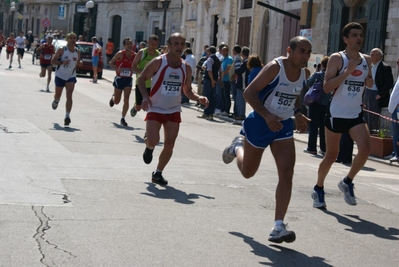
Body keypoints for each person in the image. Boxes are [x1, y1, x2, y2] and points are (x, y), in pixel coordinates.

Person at [222, 36, 312, 243]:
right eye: (302, 52)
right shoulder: (274, 68)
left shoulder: (304, 73)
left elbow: (295, 92)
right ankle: (237, 147)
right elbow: (248, 92)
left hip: (283, 126)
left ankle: (278, 226)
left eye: (308, 52)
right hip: (260, 123)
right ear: (289, 50)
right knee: (248, 173)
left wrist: (298, 112)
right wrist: (267, 115)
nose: (305, 56)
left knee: (287, 173)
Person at [311, 22, 373, 209]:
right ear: (345, 39)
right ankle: (318, 188)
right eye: (354, 35)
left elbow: (368, 83)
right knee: (331, 155)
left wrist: (369, 81)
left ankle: (347, 181)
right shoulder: (338, 59)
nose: (358, 38)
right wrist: (347, 71)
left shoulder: (367, 60)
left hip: (355, 113)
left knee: (365, 149)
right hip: (336, 113)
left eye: (360, 35)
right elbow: (327, 87)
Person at [138, 32, 208, 186]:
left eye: (182, 44)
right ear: (168, 46)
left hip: (174, 110)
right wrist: (144, 97)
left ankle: (158, 173)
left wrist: (199, 98)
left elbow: (187, 90)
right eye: (175, 44)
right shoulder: (158, 62)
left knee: (170, 144)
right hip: (155, 107)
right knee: (154, 141)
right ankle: (149, 146)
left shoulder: (186, 67)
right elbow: (141, 78)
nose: (179, 47)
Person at [50, 32, 83, 127]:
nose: (73, 40)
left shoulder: (77, 51)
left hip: (71, 76)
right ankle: (56, 101)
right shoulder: (62, 50)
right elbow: (52, 61)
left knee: (69, 95)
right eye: (71, 38)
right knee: (58, 95)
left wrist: (80, 63)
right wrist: (62, 62)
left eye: (74, 38)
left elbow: (78, 61)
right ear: (67, 39)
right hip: (60, 75)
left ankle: (67, 116)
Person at [303, 56, 331, 155]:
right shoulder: (332, 76)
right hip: (327, 104)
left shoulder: (319, 74)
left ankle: (312, 147)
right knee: (323, 128)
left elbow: (308, 82)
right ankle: (323, 149)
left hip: (315, 103)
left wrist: (316, 71)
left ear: (322, 65)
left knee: (313, 126)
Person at [363, 48, 394, 133]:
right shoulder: (369, 66)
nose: (371, 57)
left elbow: (389, 83)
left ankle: (372, 136)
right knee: (366, 115)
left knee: (373, 117)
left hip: (376, 94)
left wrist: (380, 94)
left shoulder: (385, 68)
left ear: (379, 56)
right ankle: (367, 134)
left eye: (373, 55)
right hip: (367, 93)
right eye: (370, 54)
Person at [108, 37, 136, 127]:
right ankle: (113, 98)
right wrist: (117, 69)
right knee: (117, 101)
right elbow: (110, 62)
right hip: (119, 79)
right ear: (124, 45)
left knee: (126, 99)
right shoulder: (120, 54)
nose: (129, 46)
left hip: (128, 79)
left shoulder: (134, 55)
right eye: (127, 44)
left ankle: (123, 118)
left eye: (130, 44)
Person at [131, 34, 160, 117]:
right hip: (141, 83)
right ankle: (135, 107)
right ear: (148, 42)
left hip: (153, 84)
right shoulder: (142, 52)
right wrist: (143, 73)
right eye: (152, 44)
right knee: (139, 107)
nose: (154, 47)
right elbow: (133, 66)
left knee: (151, 106)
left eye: (155, 45)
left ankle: (149, 128)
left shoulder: (158, 55)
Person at [197, 46, 220, 120]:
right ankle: (211, 113)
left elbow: (209, 70)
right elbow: (221, 70)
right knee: (212, 97)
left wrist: (212, 80)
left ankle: (206, 112)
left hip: (209, 80)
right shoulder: (217, 60)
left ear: (209, 52)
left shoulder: (210, 59)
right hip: (215, 79)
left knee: (207, 96)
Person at [232, 46, 250, 124]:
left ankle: (241, 114)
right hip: (241, 82)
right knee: (239, 98)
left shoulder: (246, 62)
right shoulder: (245, 62)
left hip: (242, 83)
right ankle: (239, 113)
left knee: (240, 99)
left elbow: (239, 71)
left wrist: (235, 70)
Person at [219, 45, 233, 116]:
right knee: (222, 95)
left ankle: (227, 110)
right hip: (223, 79)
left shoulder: (229, 59)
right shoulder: (223, 59)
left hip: (227, 80)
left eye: (224, 51)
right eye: (222, 51)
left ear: (227, 51)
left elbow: (228, 69)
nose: (223, 52)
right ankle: (223, 109)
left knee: (226, 95)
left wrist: (222, 76)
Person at [388, 79, 399, 163]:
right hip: (395, 108)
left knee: (396, 131)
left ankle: (397, 154)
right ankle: (394, 152)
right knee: (395, 131)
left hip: (397, 108)